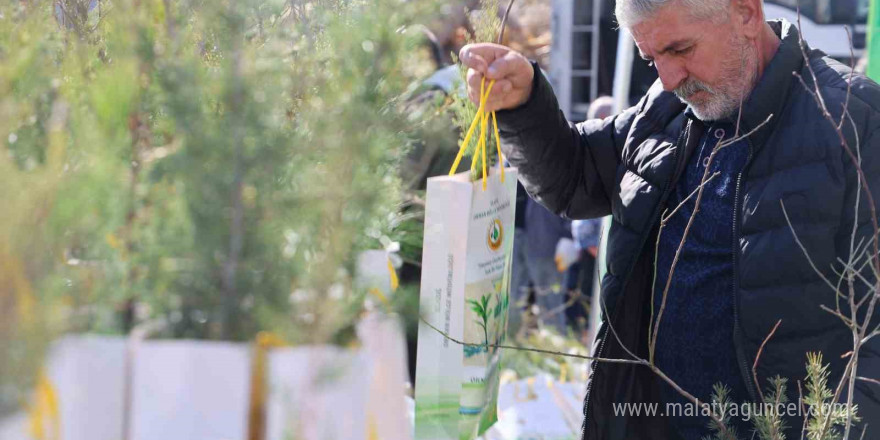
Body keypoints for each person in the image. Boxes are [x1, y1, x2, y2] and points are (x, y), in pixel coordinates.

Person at [458, 0, 880, 438]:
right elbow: (575, 176)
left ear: (745, 13)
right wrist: (524, 105)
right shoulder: (666, 108)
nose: (668, 77)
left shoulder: (856, 121)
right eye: (651, 58)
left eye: (680, 49)